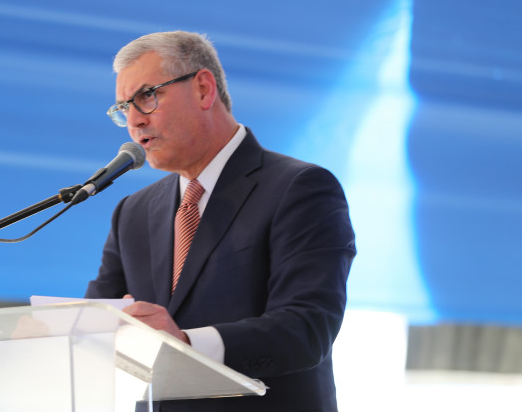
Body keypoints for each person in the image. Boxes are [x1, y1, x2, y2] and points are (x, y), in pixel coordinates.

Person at [86, 31, 356, 411]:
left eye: (146, 96)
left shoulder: (299, 188)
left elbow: (307, 328)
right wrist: (47, 332)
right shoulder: (133, 211)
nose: (134, 120)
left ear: (203, 89)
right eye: (123, 107)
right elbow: (98, 318)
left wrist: (186, 343)